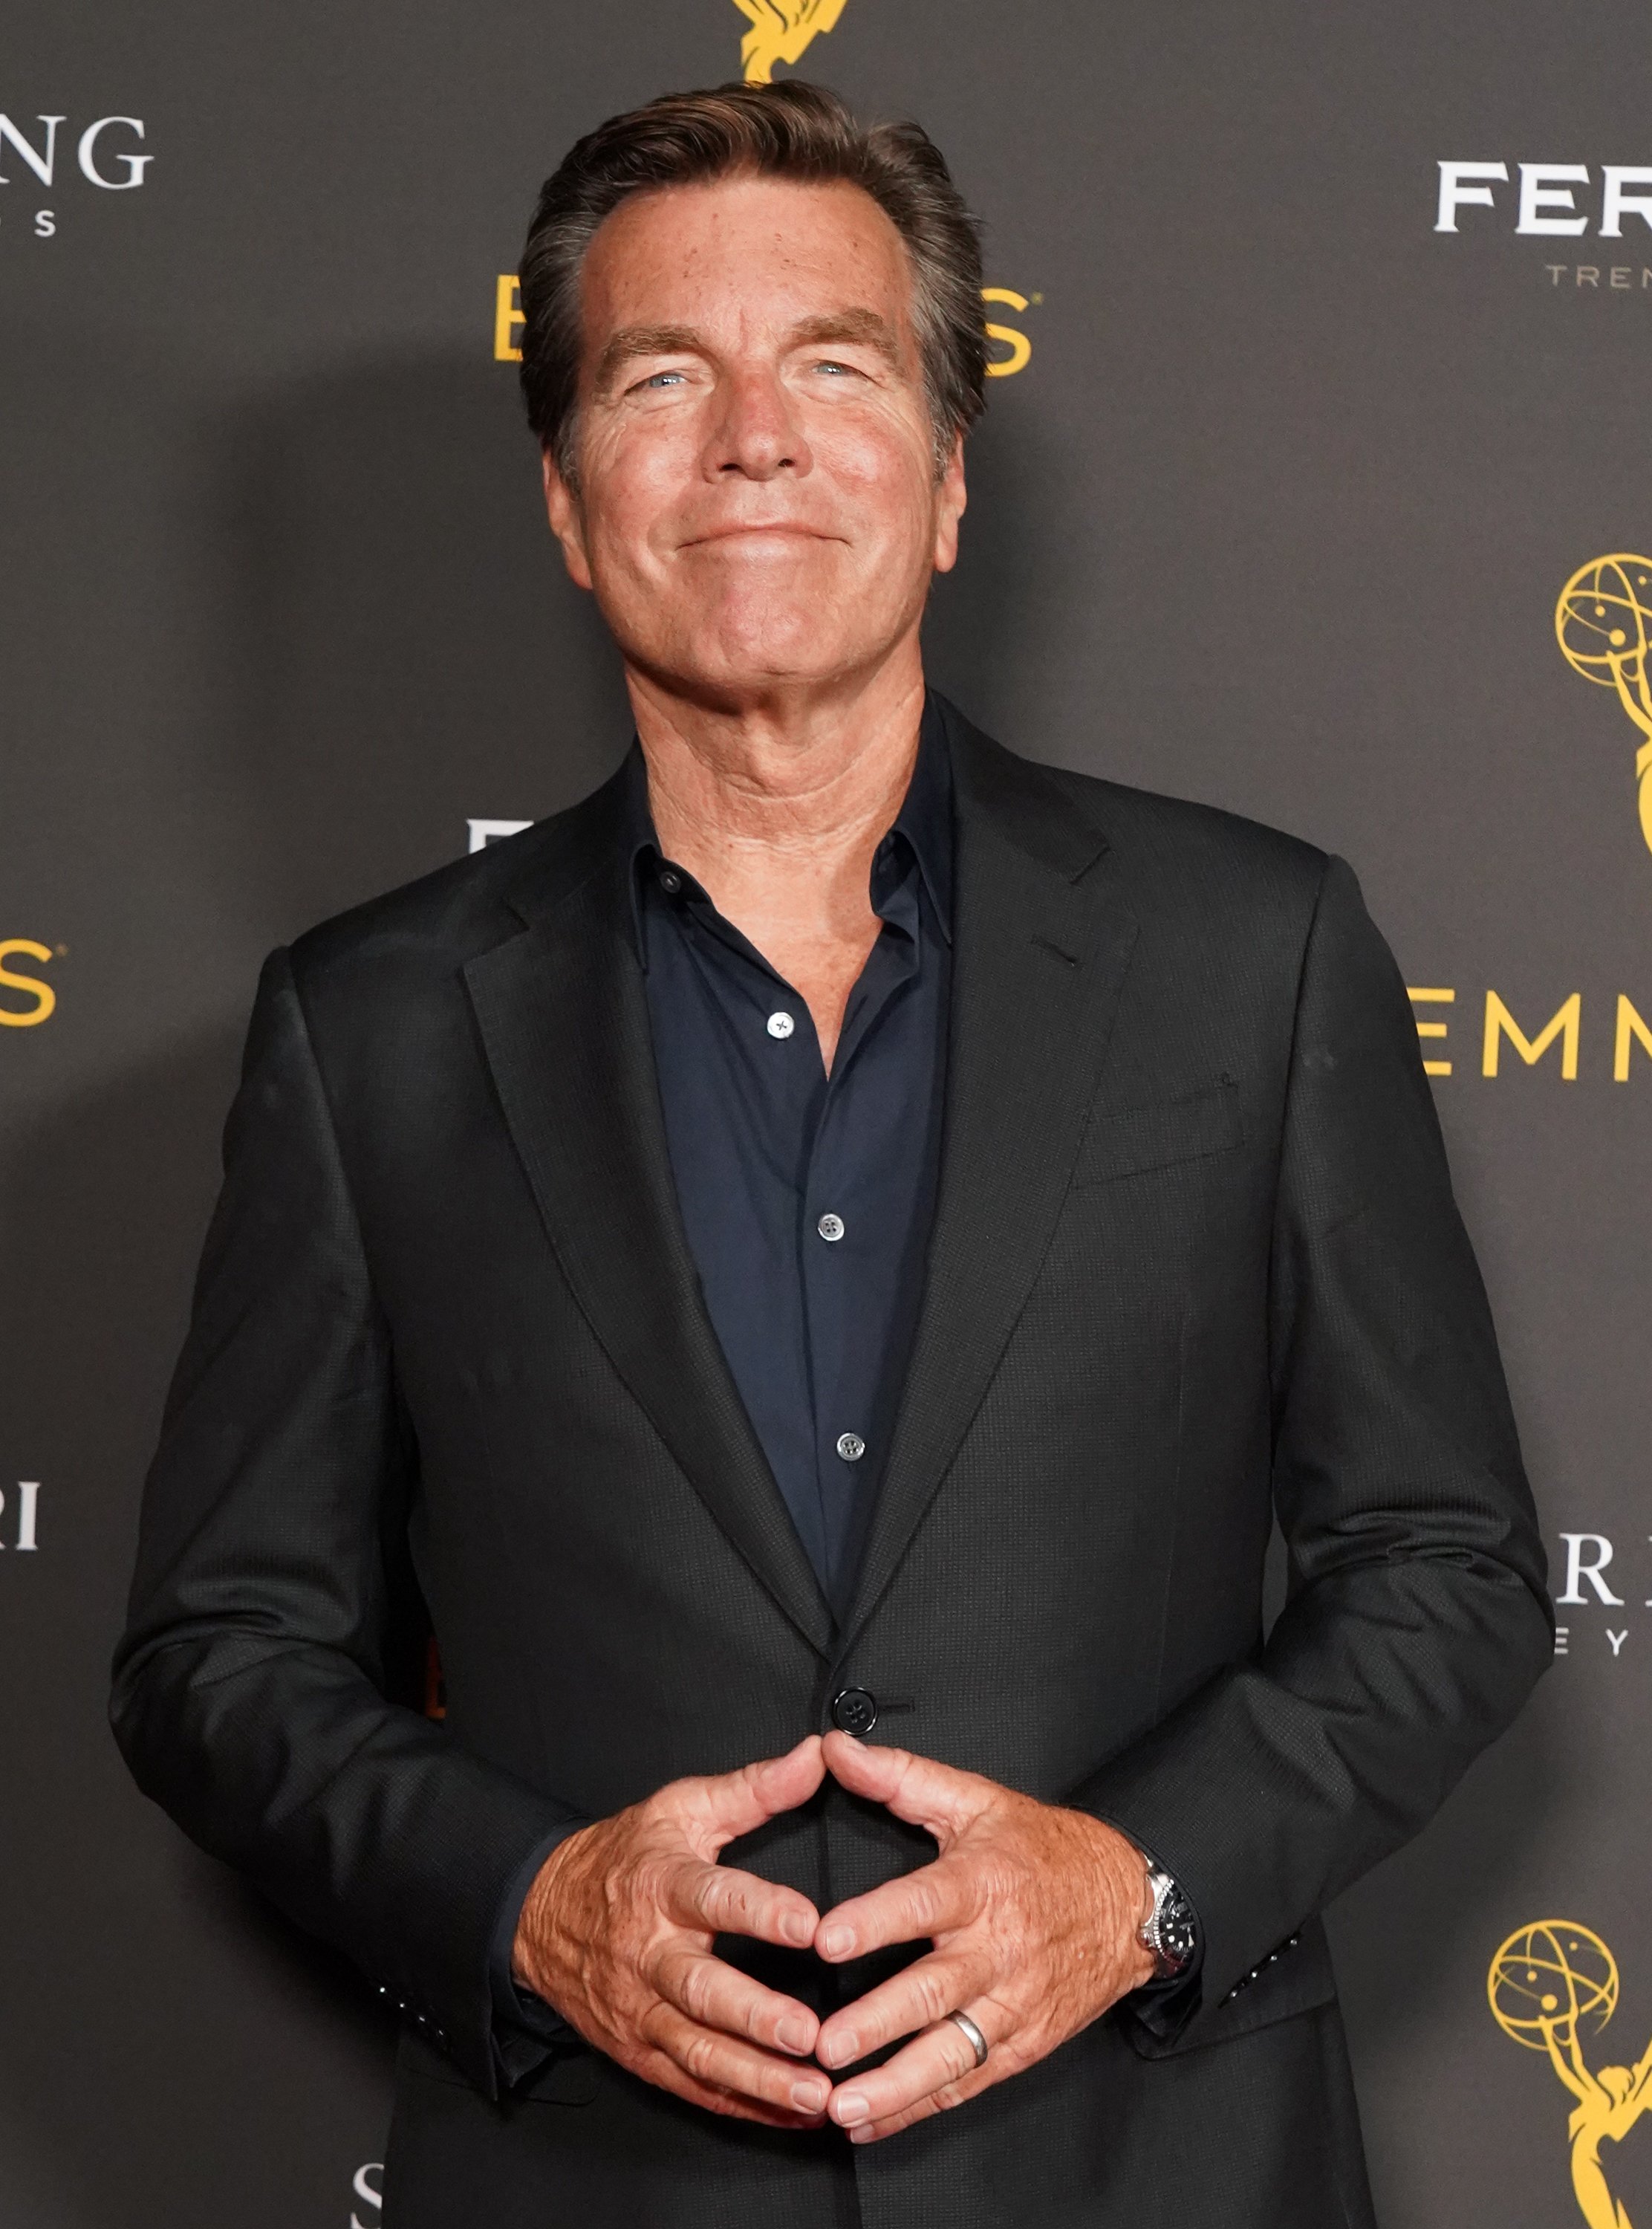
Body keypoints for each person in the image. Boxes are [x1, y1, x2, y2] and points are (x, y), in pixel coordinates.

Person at [111, 79, 1552, 2229]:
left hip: (1155, 2170)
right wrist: (525, 1903)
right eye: (662, 374)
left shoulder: (1257, 952)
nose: (753, 438)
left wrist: (1136, 1885)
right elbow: (216, 1652)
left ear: (953, 479)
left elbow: (1445, 1569)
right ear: (569, 497)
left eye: (836, 366)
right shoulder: (374, 1027)